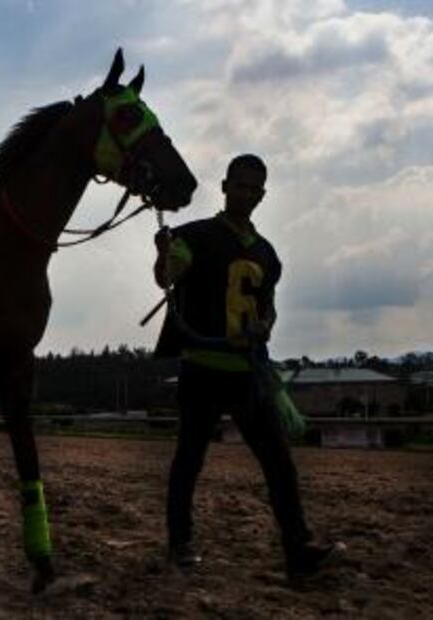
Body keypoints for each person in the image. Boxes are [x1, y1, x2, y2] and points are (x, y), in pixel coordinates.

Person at [152, 154, 341, 579]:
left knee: (278, 460)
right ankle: (180, 544)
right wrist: (165, 256)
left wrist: (265, 326)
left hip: (247, 371)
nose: (247, 195)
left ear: (263, 194)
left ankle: (299, 547)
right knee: (189, 459)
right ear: (224, 186)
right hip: (201, 368)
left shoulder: (268, 254)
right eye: (240, 186)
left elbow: (269, 309)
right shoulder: (193, 236)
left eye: (255, 189)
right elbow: (166, 276)